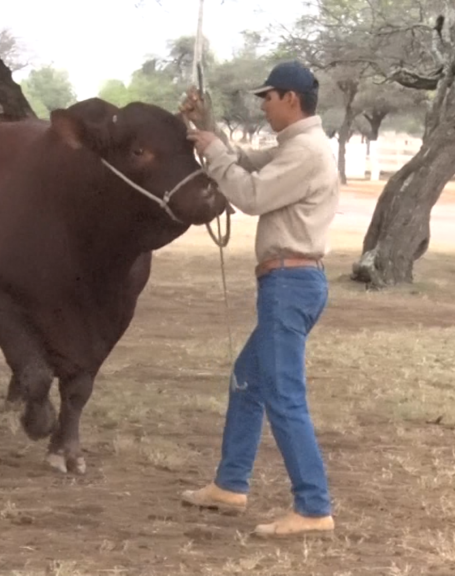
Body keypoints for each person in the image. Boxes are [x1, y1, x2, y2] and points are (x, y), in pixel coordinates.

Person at [178, 60, 340, 538]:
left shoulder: (306, 151)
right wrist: (207, 129)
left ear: (290, 98)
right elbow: (247, 161)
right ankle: (230, 485)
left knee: (284, 395)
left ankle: (313, 507)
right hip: (291, 282)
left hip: (290, 284)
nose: (264, 106)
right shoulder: (298, 146)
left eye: (267, 97)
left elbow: (250, 194)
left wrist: (214, 153)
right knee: (247, 382)